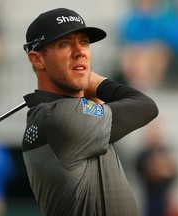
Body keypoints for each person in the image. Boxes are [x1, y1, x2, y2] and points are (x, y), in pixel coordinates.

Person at [21, 8, 159, 216]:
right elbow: (145, 106)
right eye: (65, 44)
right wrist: (98, 82)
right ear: (37, 59)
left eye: (84, 41)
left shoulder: (50, 114)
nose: (80, 51)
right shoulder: (61, 117)